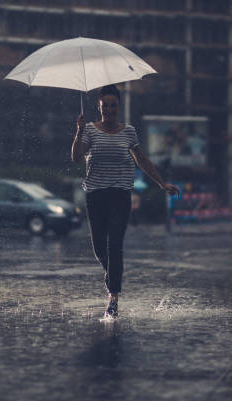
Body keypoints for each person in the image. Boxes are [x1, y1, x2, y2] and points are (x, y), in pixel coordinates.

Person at [71, 84, 180, 318]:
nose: (109, 110)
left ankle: (113, 296)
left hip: (120, 195)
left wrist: (162, 184)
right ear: (98, 108)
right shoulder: (89, 130)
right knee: (99, 247)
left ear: (119, 107)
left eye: (113, 105)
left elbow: (142, 160)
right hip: (95, 195)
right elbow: (76, 157)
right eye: (105, 106)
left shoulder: (128, 132)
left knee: (114, 244)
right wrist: (78, 132)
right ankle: (113, 275)